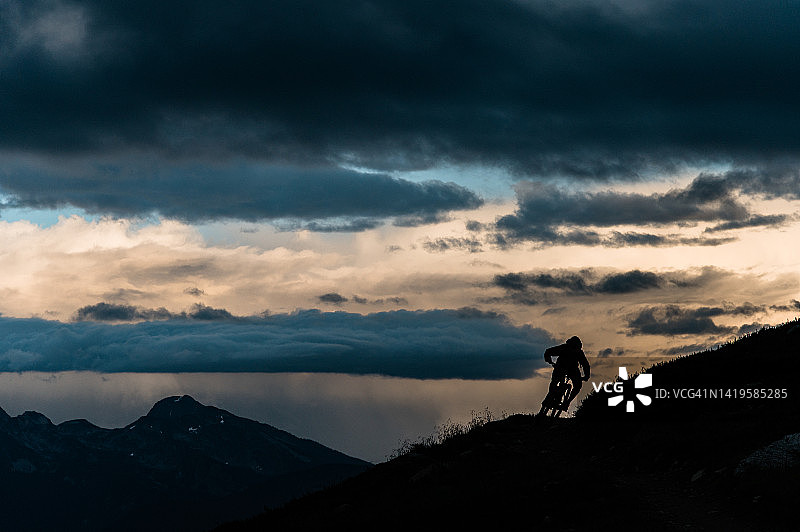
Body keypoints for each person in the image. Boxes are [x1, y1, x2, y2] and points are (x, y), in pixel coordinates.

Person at [539, 336, 590, 414]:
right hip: (563, 369)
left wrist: (550, 362)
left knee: (575, 385)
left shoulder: (573, 350)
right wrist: (586, 376)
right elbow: (585, 365)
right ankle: (559, 400)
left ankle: (564, 401)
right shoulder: (569, 349)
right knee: (574, 385)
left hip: (567, 370)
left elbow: (585, 365)